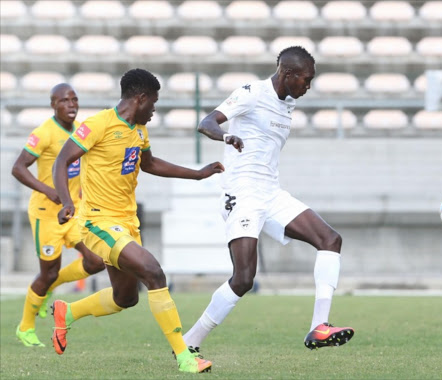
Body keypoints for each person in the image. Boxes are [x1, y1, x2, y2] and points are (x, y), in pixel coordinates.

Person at [183, 46, 355, 352]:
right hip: (242, 192)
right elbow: (206, 122)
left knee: (330, 239)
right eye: (305, 79)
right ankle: (190, 341)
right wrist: (225, 136)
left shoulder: (286, 104)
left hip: (271, 193)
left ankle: (319, 326)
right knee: (244, 278)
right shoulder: (251, 93)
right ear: (288, 74)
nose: (308, 86)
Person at [52, 68, 224, 373]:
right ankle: (185, 356)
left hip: (127, 223)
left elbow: (150, 163)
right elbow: (62, 160)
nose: (154, 111)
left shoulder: (140, 131)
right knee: (154, 273)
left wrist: (197, 174)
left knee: (125, 298)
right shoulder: (98, 125)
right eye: (154, 104)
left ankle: (69, 311)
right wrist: (67, 201)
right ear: (140, 98)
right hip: (98, 223)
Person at [12, 83, 105, 348]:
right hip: (46, 214)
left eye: (75, 100)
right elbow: (18, 168)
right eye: (65, 101)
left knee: (97, 260)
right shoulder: (44, 133)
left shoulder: (78, 132)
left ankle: (53, 287)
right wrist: (49, 191)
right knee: (47, 272)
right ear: (53, 104)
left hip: (73, 211)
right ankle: (25, 326)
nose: (72, 105)